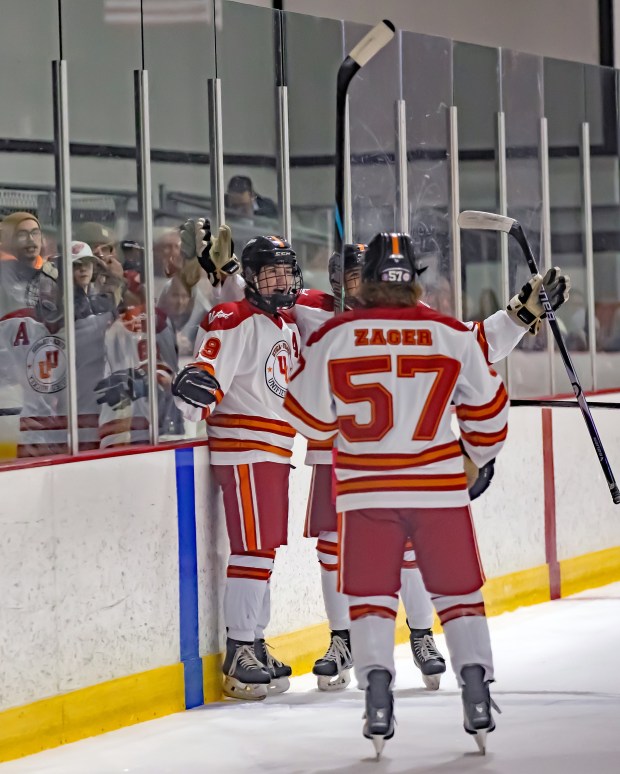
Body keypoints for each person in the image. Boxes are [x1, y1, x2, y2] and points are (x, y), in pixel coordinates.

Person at [208, 233, 571, 694]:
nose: (357, 286)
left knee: (409, 547)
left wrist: (518, 314)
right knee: (333, 549)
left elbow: (473, 340)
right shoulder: (310, 307)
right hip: (336, 454)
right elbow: (259, 299)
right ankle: (342, 641)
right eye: (348, 278)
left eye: (365, 277)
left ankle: (421, 634)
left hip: (390, 453)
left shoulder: (407, 318)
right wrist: (227, 275)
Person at [282, 232, 510, 758]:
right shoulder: (451, 333)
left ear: (366, 280)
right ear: (414, 281)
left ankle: (378, 695)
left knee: (371, 598)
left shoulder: (336, 335)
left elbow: (309, 418)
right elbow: (491, 418)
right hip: (438, 488)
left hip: (365, 491)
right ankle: (476, 687)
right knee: (458, 593)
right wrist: (474, 454)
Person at [171, 234, 303, 701]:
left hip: (276, 450)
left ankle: (256, 640)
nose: (281, 281)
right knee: (252, 549)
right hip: (245, 447)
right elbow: (207, 376)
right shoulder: (232, 318)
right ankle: (238, 649)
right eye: (270, 273)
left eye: (286, 272)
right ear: (251, 278)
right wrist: (196, 392)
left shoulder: (286, 325)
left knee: (264, 551)